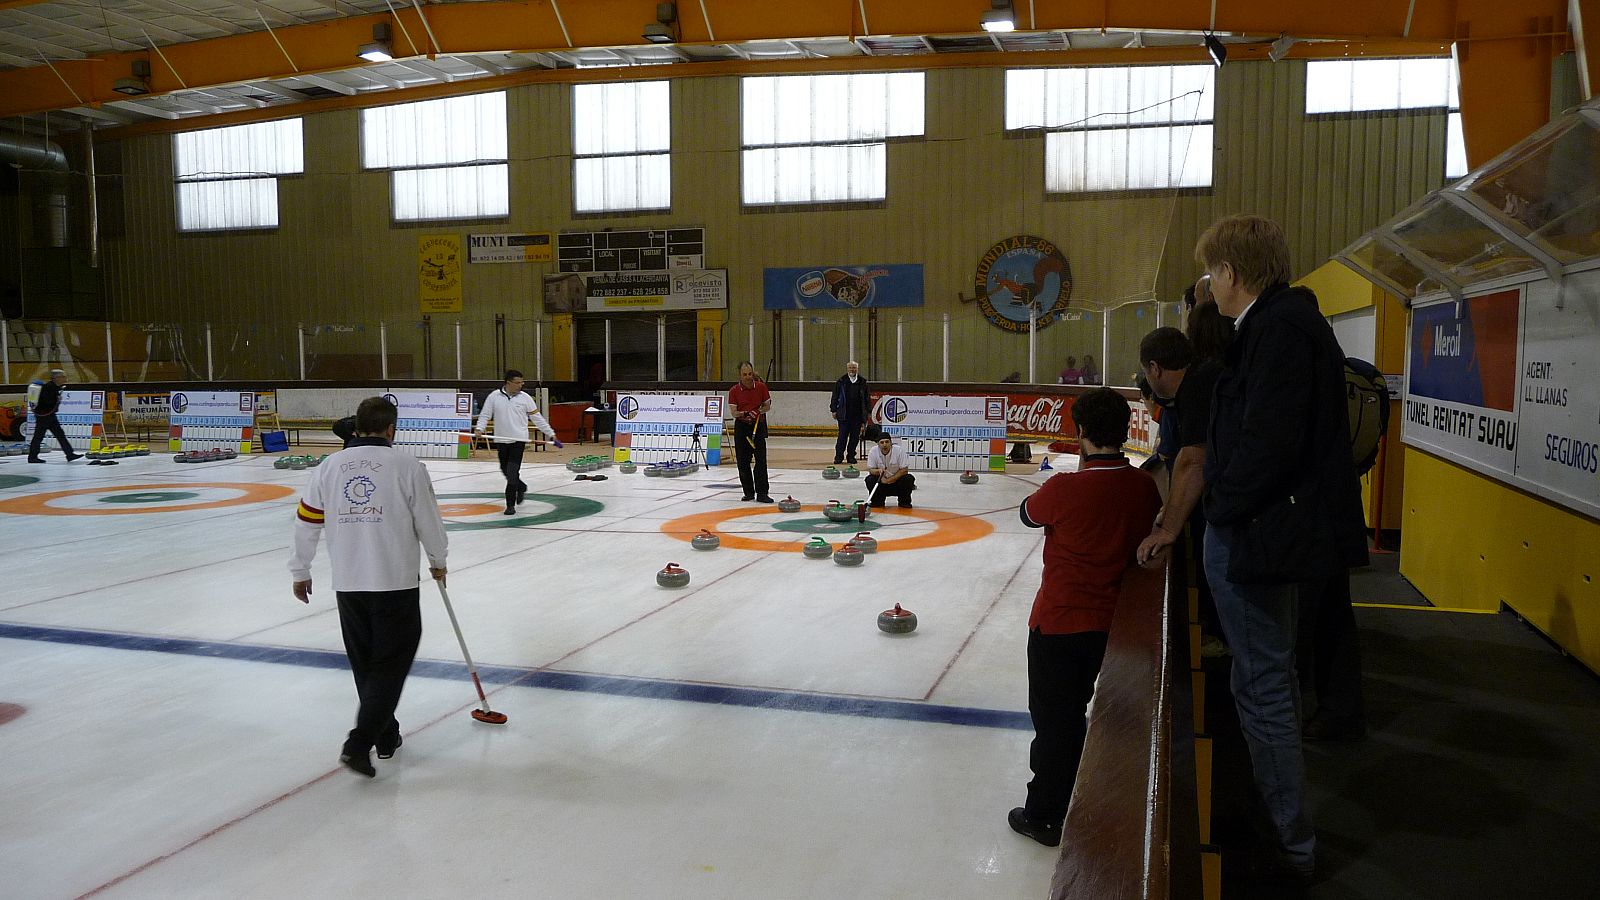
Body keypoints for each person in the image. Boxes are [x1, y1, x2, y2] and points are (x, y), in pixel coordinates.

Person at [1196, 215, 1367, 883]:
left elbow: (1269, 441)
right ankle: (1281, 826)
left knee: (1265, 683)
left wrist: (1220, 508)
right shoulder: (1278, 327)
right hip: (1262, 532)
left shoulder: (1281, 331)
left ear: (1233, 274)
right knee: (1264, 679)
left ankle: (1287, 842)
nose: (1209, 285)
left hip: (1260, 537)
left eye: (1213, 272)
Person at [1007, 388, 1164, 847]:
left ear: (1081, 434)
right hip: (1114, 625)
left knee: (1056, 721)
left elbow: (1026, 514)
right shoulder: (1142, 487)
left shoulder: (1065, 488)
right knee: (1099, 716)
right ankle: (1100, 798)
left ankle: (1044, 813)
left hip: (1059, 623)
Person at [287, 396, 449, 778]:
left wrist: (300, 570)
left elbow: (306, 522)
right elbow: (429, 521)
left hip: (349, 582)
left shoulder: (329, 466)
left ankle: (386, 734)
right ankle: (359, 743)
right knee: (390, 665)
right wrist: (438, 561)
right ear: (392, 429)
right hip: (394, 582)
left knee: (367, 664)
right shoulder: (407, 466)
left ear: (356, 427)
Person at [1134, 327, 1226, 659]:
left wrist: (1167, 527)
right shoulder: (1204, 377)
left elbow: (1192, 459)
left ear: (1155, 369)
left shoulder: (1198, 387)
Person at [474, 369, 562, 515]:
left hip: (518, 440)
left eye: (522, 382)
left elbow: (537, 418)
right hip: (501, 440)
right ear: (508, 383)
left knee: (512, 472)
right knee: (504, 469)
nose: (521, 385)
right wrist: (479, 428)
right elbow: (485, 415)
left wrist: (551, 434)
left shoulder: (525, 398)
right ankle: (521, 487)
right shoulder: (494, 397)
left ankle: (510, 505)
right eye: (517, 383)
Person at [728, 361, 773, 503]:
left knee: (761, 461)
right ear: (740, 375)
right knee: (743, 462)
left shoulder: (761, 387)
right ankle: (748, 492)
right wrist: (745, 414)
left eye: (750, 374)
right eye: (744, 374)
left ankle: (762, 493)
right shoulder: (734, 391)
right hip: (742, 428)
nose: (748, 377)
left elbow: (767, 405)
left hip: (757, 427)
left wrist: (759, 411)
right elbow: (734, 412)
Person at [26, 368, 82, 464]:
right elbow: (46, 402)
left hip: (49, 415)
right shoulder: (49, 387)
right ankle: (32, 457)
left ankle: (69, 454)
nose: (65, 379)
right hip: (44, 416)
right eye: (63, 377)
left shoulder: (54, 387)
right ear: (57, 378)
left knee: (60, 435)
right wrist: (57, 399)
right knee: (39, 436)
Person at [830, 360, 871, 465]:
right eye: (850, 368)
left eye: (854, 368)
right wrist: (833, 409)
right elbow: (835, 396)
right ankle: (838, 456)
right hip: (844, 415)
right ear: (847, 369)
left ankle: (851, 456)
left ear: (857, 369)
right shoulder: (841, 381)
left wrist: (868, 412)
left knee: (854, 437)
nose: (852, 370)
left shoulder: (862, 382)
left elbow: (867, 399)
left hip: (857, 415)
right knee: (842, 437)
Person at [864, 431, 916, 508]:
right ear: (878, 444)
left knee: (908, 478)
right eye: (882, 442)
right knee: (870, 479)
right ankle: (877, 502)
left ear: (891, 443)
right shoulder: (873, 451)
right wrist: (878, 471)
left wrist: (889, 480)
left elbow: (904, 470)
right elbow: (871, 470)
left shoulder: (899, 451)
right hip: (881, 483)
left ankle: (904, 502)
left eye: (887, 442)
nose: (884, 445)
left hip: (896, 483)